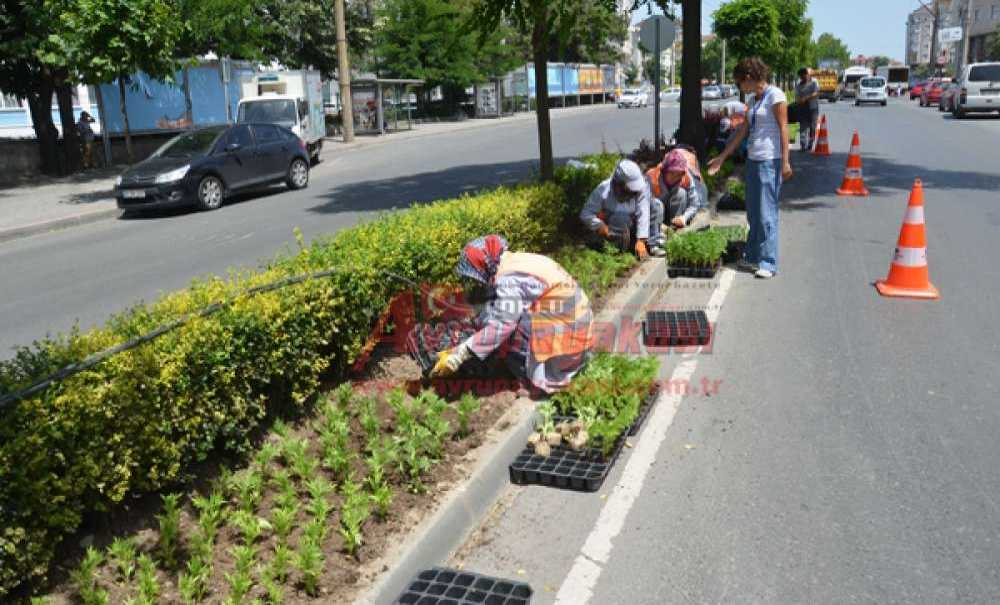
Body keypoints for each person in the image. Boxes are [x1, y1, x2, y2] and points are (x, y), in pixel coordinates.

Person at [430, 235, 593, 394]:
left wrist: (461, 353)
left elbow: (503, 325)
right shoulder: (515, 261)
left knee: (505, 331)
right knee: (501, 317)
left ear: (484, 265)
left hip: (564, 354)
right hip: (579, 337)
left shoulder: (507, 278)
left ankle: (533, 382)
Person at [707, 57, 792, 280]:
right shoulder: (754, 101)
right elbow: (743, 131)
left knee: (767, 214)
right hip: (753, 161)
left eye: (738, 83)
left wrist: (785, 161)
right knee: (754, 213)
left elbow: (784, 128)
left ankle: (768, 261)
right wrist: (722, 157)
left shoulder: (776, 95)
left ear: (748, 78)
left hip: (770, 161)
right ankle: (753, 256)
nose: (739, 89)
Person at [579, 159, 664, 258]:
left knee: (656, 205)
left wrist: (641, 240)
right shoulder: (603, 189)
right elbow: (586, 214)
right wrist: (600, 226)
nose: (634, 190)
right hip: (617, 228)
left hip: (637, 225)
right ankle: (620, 249)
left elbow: (643, 211)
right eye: (631, 187)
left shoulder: (643, 186)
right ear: (620, 183)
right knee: (620, 217)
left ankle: (652, 244)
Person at [646, 147, 708, 231]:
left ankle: (674, 226)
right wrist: (657, 223)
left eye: (679, 174)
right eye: (672, 173)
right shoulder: (651, 177)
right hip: (655, 215)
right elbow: (643, 206)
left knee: (681, 193)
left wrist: (684, 218)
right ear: (665, 170)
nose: (675, 178)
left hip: (675, 211)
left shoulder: (686, 177)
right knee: (656, 204)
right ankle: (656, 230)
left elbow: (694, 204)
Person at [794, 67, 820, 151]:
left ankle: (810, 143)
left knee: (813, 126)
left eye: (803, 76)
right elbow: (797, 97)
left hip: (813, 107)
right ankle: (802, 145)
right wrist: (799, 100)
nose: (802, 78)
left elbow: (816, 93)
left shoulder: (814, 82)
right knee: (803, 127)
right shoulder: (799, 85)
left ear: (807, 74)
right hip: (803, 108)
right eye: (801, 77)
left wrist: (806, 98)